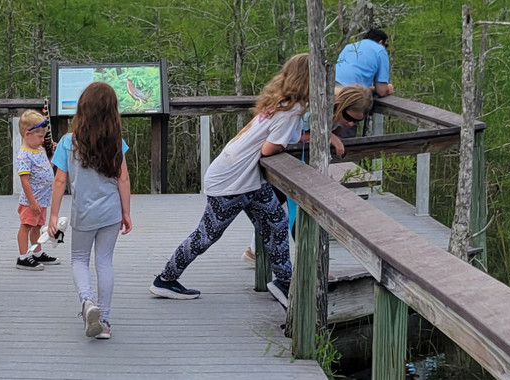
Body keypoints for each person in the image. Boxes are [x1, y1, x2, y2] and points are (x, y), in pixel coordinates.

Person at [148, 53, 344, 301]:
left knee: (276, 223)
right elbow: (269, 148)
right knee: (207, 235)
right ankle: (165, 279)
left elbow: (277, 138)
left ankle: (284, 282)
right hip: (232, 181)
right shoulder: (291, 112)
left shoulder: (281, 102)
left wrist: (318, 136)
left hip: (246, 178)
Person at [242, 85, 374, 266]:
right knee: (278, 204)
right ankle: (263, 253)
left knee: (277, 204)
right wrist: (324, 136)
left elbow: (333, 129)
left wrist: (333, 133)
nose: (351, 123)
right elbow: (287, 135)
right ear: (339, 106)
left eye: (356, 121)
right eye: (349, 118)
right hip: (271, 155)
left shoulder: (339, 116)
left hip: (295, 160)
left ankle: (256, 251)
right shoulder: (310, 111)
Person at [48, 82, 133, 339]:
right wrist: (126, 213)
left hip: (83, 213)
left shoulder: (67, 142)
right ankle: (104, 321)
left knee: (79, 259)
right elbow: (123, 179)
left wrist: (53, 215)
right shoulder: (116, 142)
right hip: (110, 212)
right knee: (104, 261)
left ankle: (87, 302)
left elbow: (60, 181)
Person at [14, 110, 60, 270]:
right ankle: (23, 257)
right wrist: (32, 202)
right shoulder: (24, 155)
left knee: (37, 227)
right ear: (27, 134)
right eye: (40, 137)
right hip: (31, 201)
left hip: (43, 199)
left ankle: (37, 253)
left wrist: (53, 155)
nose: (42, 140)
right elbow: (24, 181)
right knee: (26, 226)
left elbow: (46, 167)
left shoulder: (38, 150)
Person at [335, 29, 393, 98]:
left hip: (332, 87)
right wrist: (388, 88)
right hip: (349, 94)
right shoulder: (380, 50)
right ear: (381, 42)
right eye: (385, 45)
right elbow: (381, 91)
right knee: (366, 102)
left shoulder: (349, 46)